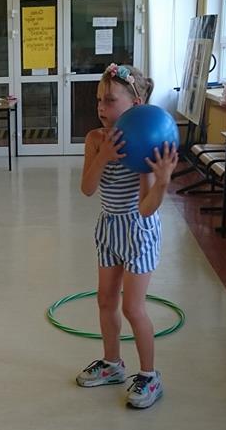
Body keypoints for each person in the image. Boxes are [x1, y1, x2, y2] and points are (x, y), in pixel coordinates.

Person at [76, 63, 178, 409]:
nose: (101, 108)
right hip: (109, 229)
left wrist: (162, 182)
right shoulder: (95, 140)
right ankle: (112, 364)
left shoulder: (144, 144)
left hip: (139, 232)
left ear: (135, 105)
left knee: (133, 307)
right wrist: (103, 156)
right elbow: (87, 189)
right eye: (99, 101)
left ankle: (149, 375)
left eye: (109, 101)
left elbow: (146, 208)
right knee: (105, 300)